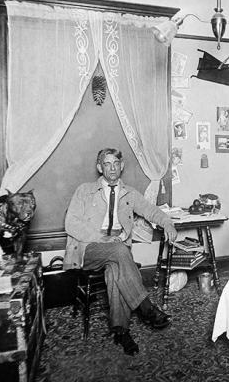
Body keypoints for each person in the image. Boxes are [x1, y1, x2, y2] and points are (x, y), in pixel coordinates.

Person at [64, 148, 178, 355]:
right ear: (100, 168)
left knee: (115, 270)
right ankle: (146, 307)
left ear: (121, 165)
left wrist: (168, 224)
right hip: (89, 248)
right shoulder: (84, 190)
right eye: (107, 164)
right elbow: (71, 223)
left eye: (116, 163)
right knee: (118, 249)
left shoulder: (129, 193)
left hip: (117, 252)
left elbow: (151, 211)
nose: (112, 168)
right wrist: (102, 238)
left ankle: (121, 331)